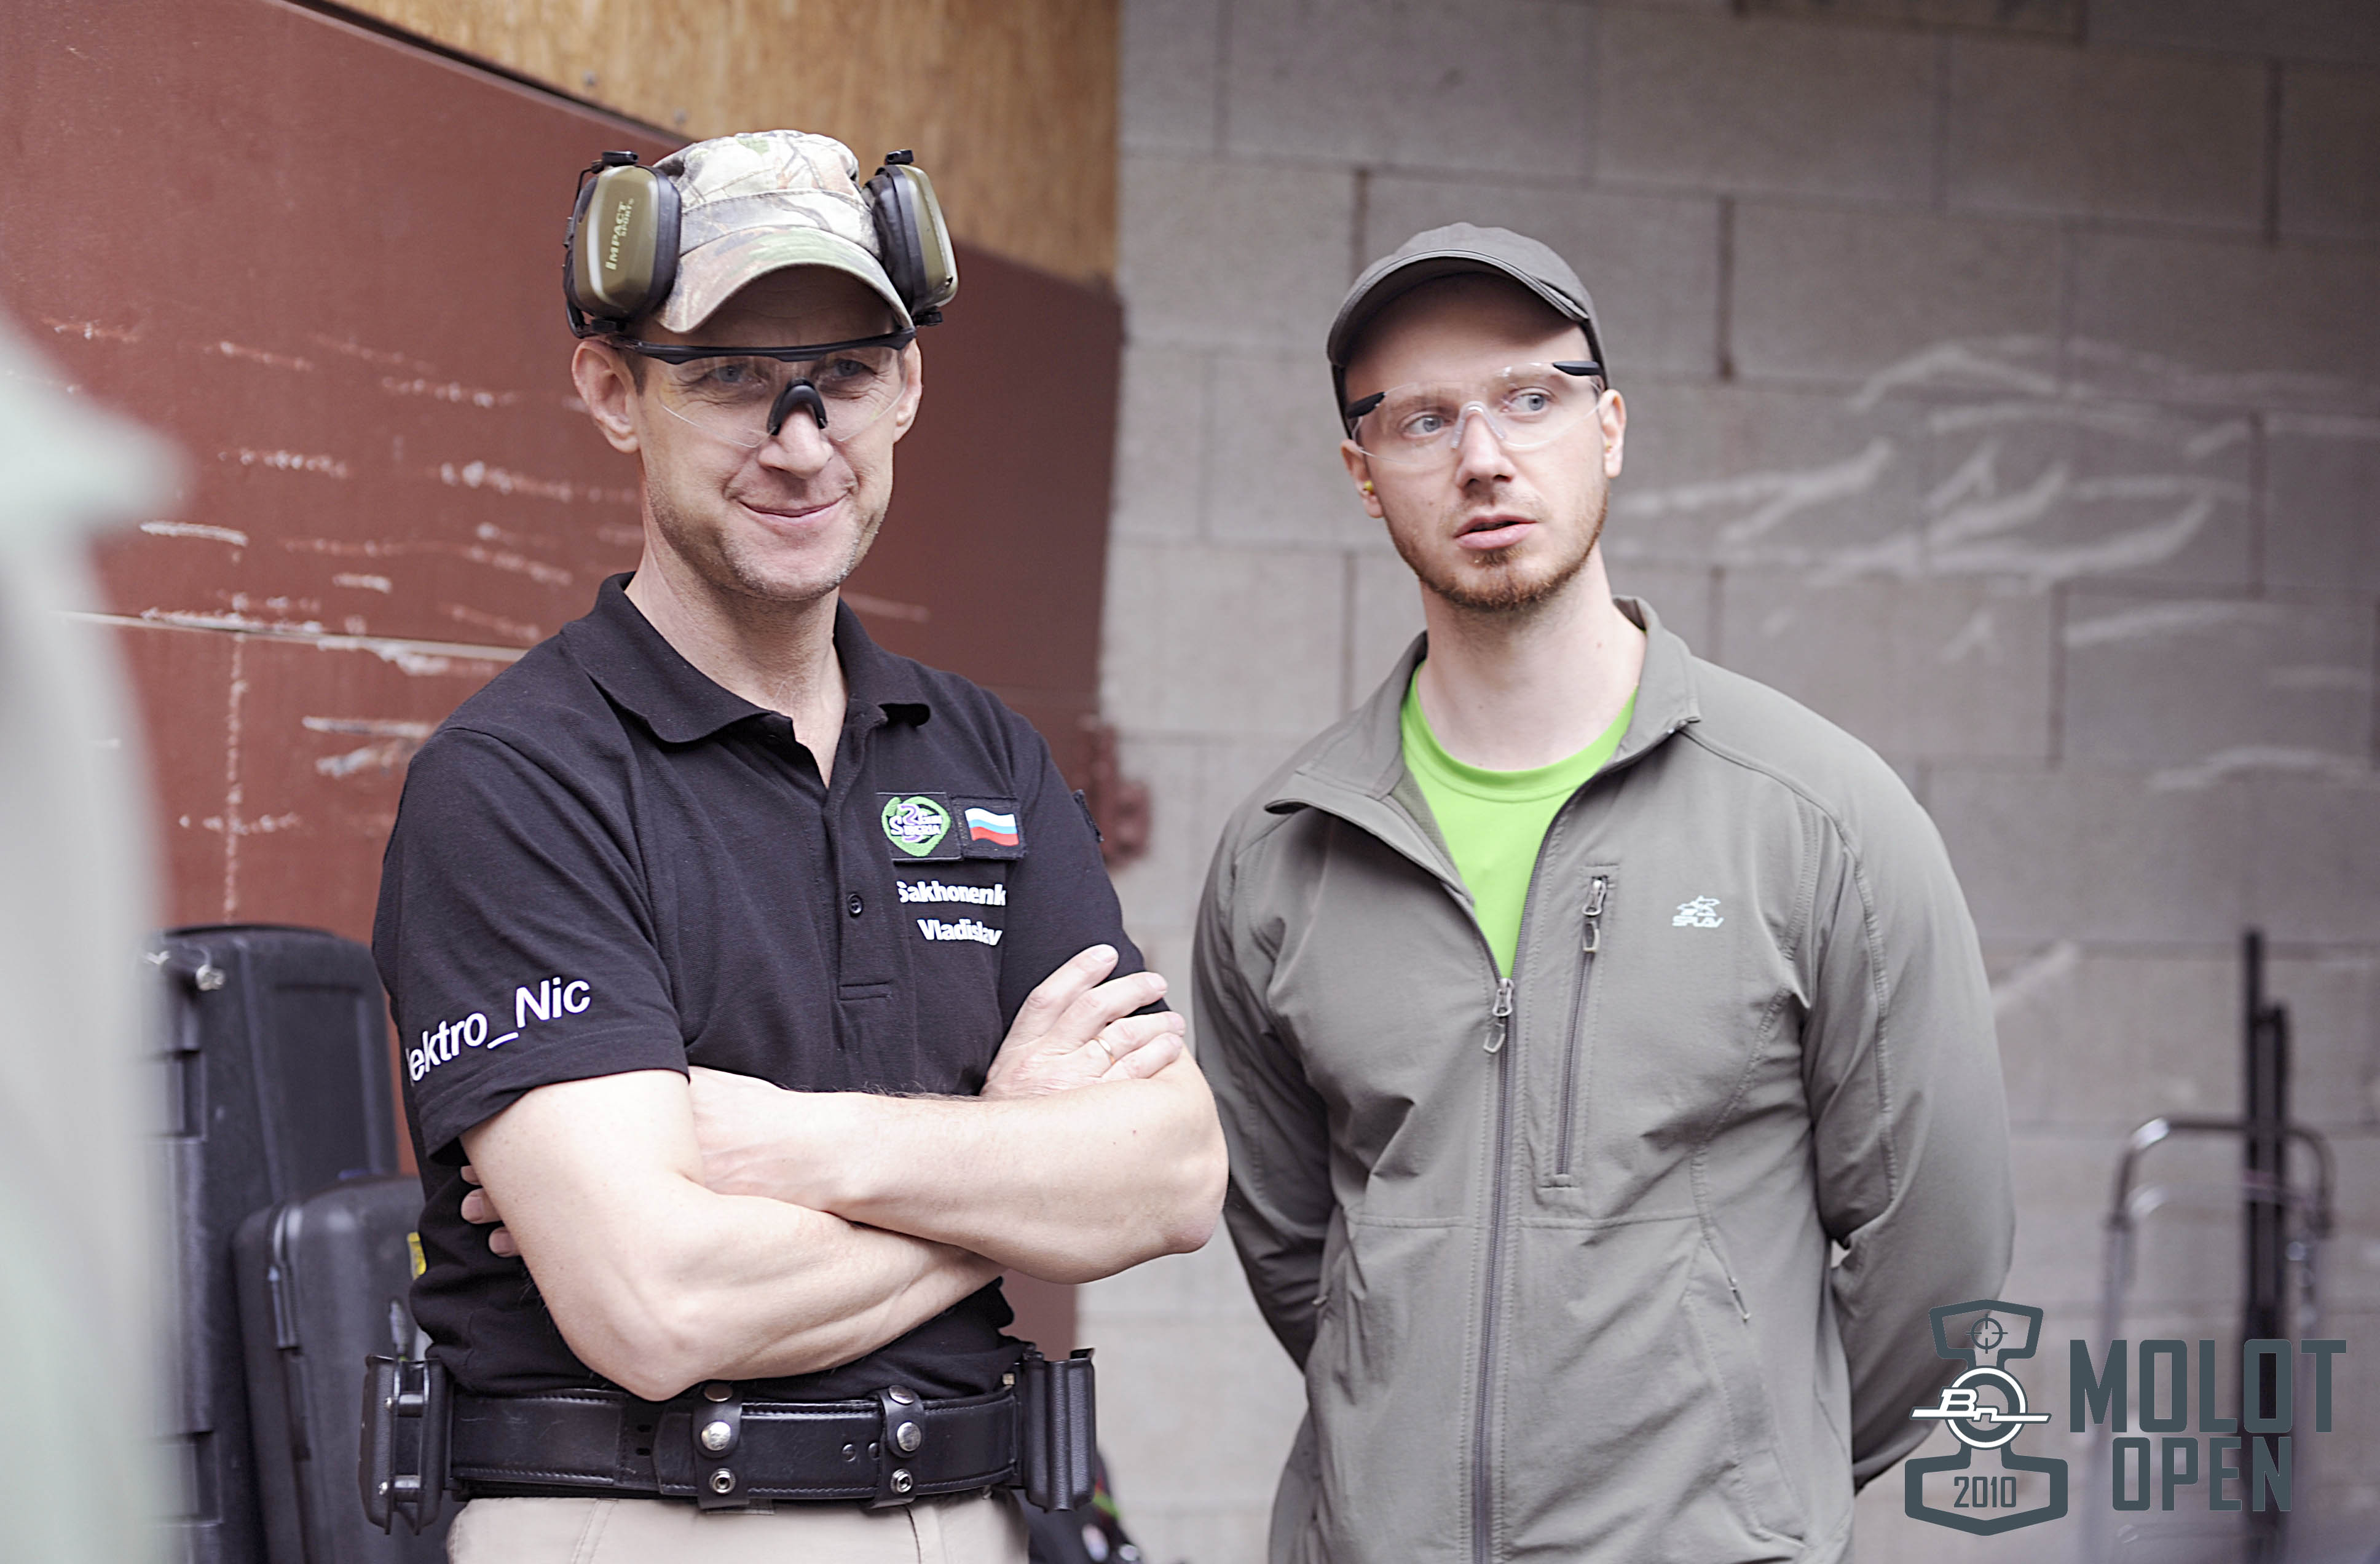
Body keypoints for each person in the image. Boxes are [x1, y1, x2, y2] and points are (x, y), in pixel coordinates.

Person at [374, 130, 1225, 1564]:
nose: (799, 439)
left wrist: (801, 1145)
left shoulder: (984, 755)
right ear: (613, 392)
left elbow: (1175, 1178)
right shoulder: (518, 780)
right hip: (641, 1525)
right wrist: (1013, 1169)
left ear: (909, 388)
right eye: (726, 377)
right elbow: (658, 1304)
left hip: (973, 1519)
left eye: (845, 371)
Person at [1193, 225, 2015, 1564]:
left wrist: (1757, 1482)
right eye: (1421, 420)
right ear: (1363, 474)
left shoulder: (1819, 817)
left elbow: (1942, 1260)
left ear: (1610, 428)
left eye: (1531, 397)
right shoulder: (1282, 851)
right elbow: (1299, 1257)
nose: (1483, 456)